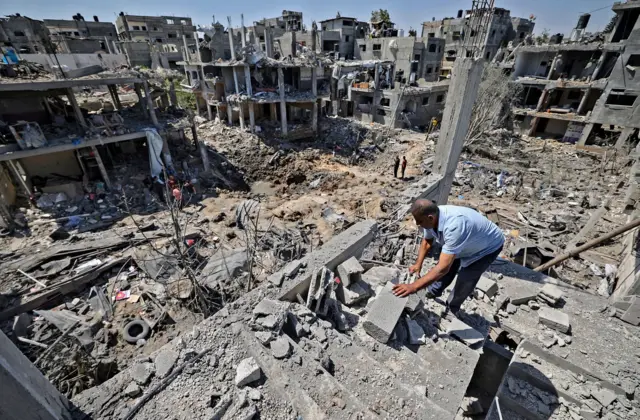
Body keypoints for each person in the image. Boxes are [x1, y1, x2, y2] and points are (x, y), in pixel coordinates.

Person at [392, 199, 504, 317]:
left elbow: (442, 268)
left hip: (487, 247)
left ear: (430, 218)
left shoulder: (454, 226)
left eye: (419, 221)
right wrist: (418, 264)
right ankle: (433, 291)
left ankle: (452, 308)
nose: (417, 224)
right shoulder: (431, 218)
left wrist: (413, 287)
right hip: (467, 241)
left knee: (466, 277)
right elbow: (427, 241)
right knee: (448, 260)